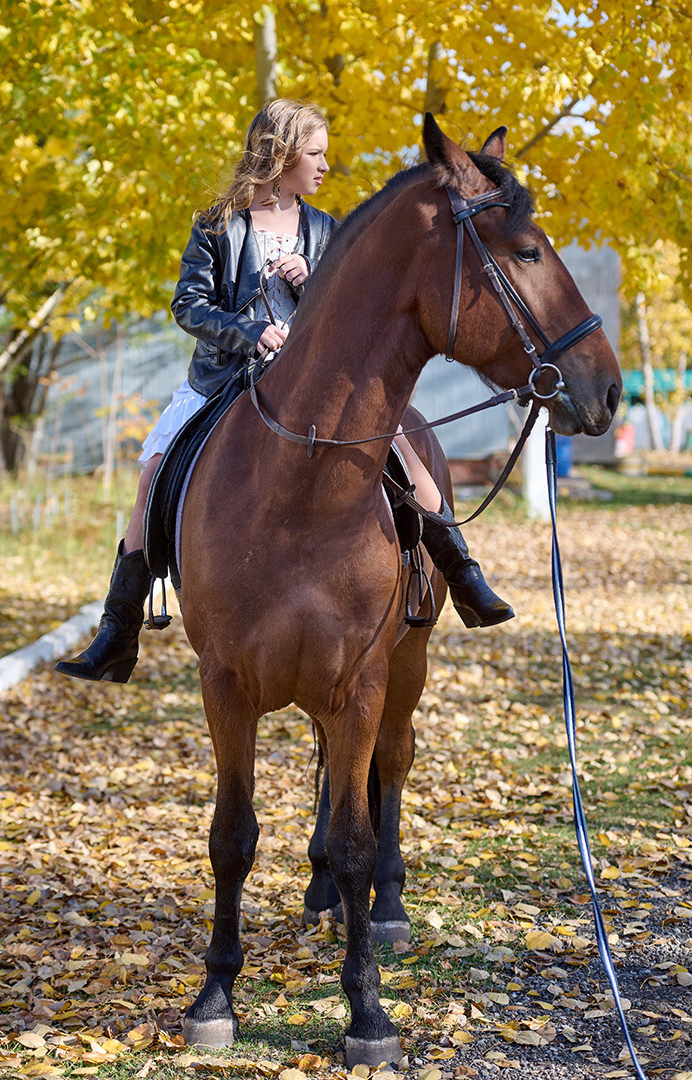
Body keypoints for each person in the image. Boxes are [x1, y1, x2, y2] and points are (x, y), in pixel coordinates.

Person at [55, 99, 512, 685]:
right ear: (281, 155)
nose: (325, 165)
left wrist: (312, 282)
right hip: (226, 379)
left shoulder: (326, 230)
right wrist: (248, 332)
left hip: (315, 382)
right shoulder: (218, 224)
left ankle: (463, 574)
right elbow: (188, 305)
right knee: (152, 475)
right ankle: (118, 629)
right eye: (315, 153)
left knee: (406, 455)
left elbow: (356, 312)